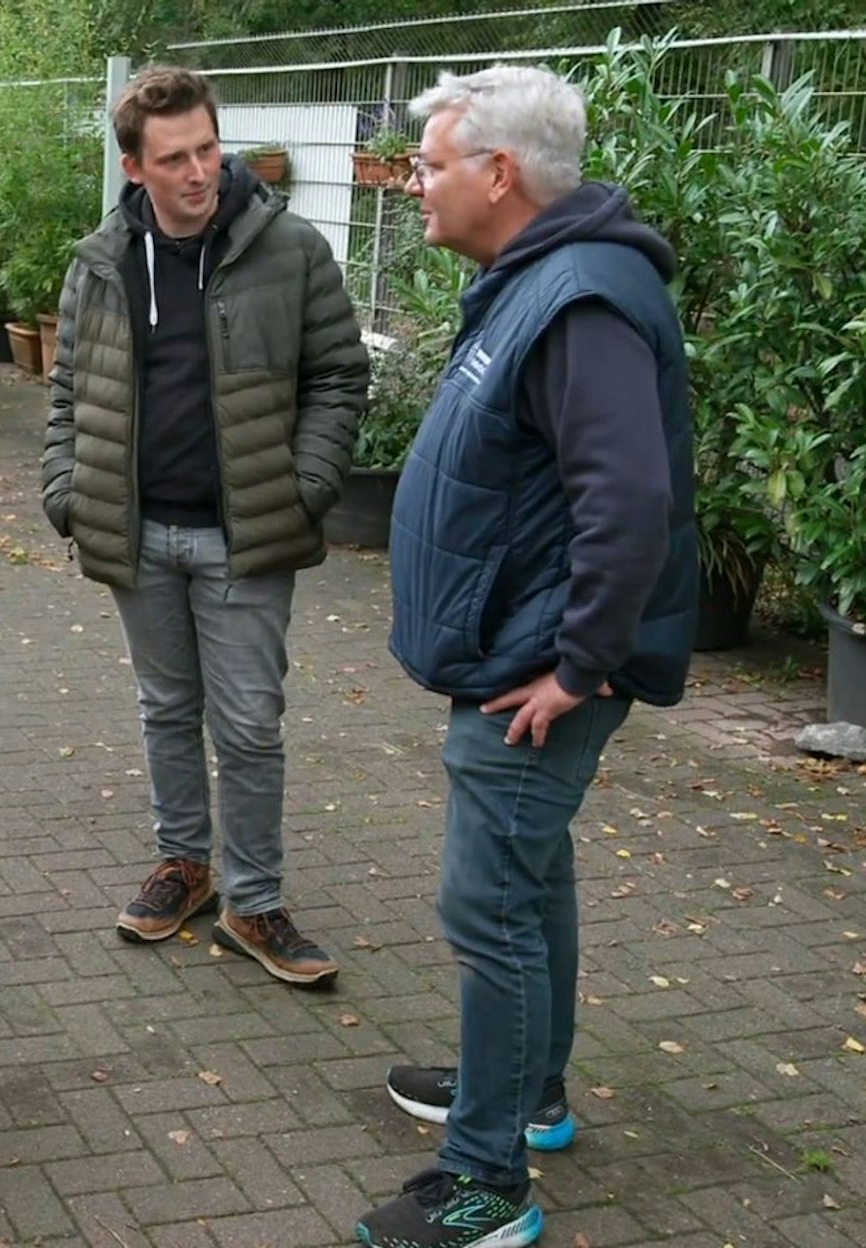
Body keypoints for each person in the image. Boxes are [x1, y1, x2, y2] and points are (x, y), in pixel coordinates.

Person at [357, 65, 695, 1248]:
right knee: (526, 877)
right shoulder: (534, 281)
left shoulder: (579, 296)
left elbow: (630, 499)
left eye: (434, 163)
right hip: (514, 650)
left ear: (498, 175)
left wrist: (577, 663)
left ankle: (486, 1182)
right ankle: (525, 1090)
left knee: (487, 900)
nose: (416, 182)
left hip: (535, 672)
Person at [40, 66, 368, 982]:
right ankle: (184, 867)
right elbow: (68, 386)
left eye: (208, 149)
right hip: (135, 530)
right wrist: (66, 487)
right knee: (166, 709)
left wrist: (305, 485)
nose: (199, 172)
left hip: (247, 532)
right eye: (174, 157)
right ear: (132, 166)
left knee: (250, 722)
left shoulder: (288, 247)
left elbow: (339, 374)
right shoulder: (99, 261)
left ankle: (254, 904)